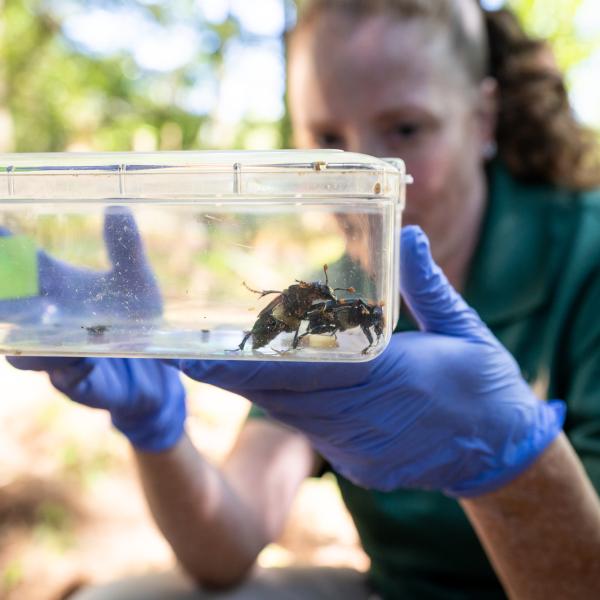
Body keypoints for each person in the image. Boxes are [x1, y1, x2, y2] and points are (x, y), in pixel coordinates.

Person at [8, 1, 600, 598]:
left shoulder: (588, 254)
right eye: (326, 138)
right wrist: (154, 427)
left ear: (482, 119)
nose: (357, 176)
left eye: (406, 129)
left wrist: (514, 466)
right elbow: (229, 546)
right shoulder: (339, 287)